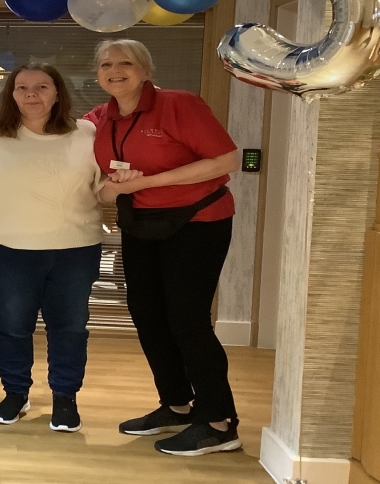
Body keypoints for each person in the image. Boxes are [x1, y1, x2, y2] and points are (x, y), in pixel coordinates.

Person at [85, 39, 241, 457]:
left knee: (187, 318)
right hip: (141, 223)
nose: (115, 71)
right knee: (147, 314)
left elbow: (226, 161)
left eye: (126, 63)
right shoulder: (98, 119)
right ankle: (176, 405)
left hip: (198, 221)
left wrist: (146, 182)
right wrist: (111, 189)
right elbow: (99, 184)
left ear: (146, 70)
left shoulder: (179, 105)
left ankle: (219, 422)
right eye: (106, 65)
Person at [0, 63, 103, 433]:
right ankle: (15, 393)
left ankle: (65, 398)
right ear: (11, 93)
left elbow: (103, 186)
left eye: (42, 86)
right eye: (21, 87)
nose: (31, 94)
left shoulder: (86, 133)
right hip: (3, 247)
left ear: (57, 92)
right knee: (12, 326)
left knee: (70, 328)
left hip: (74, 247)